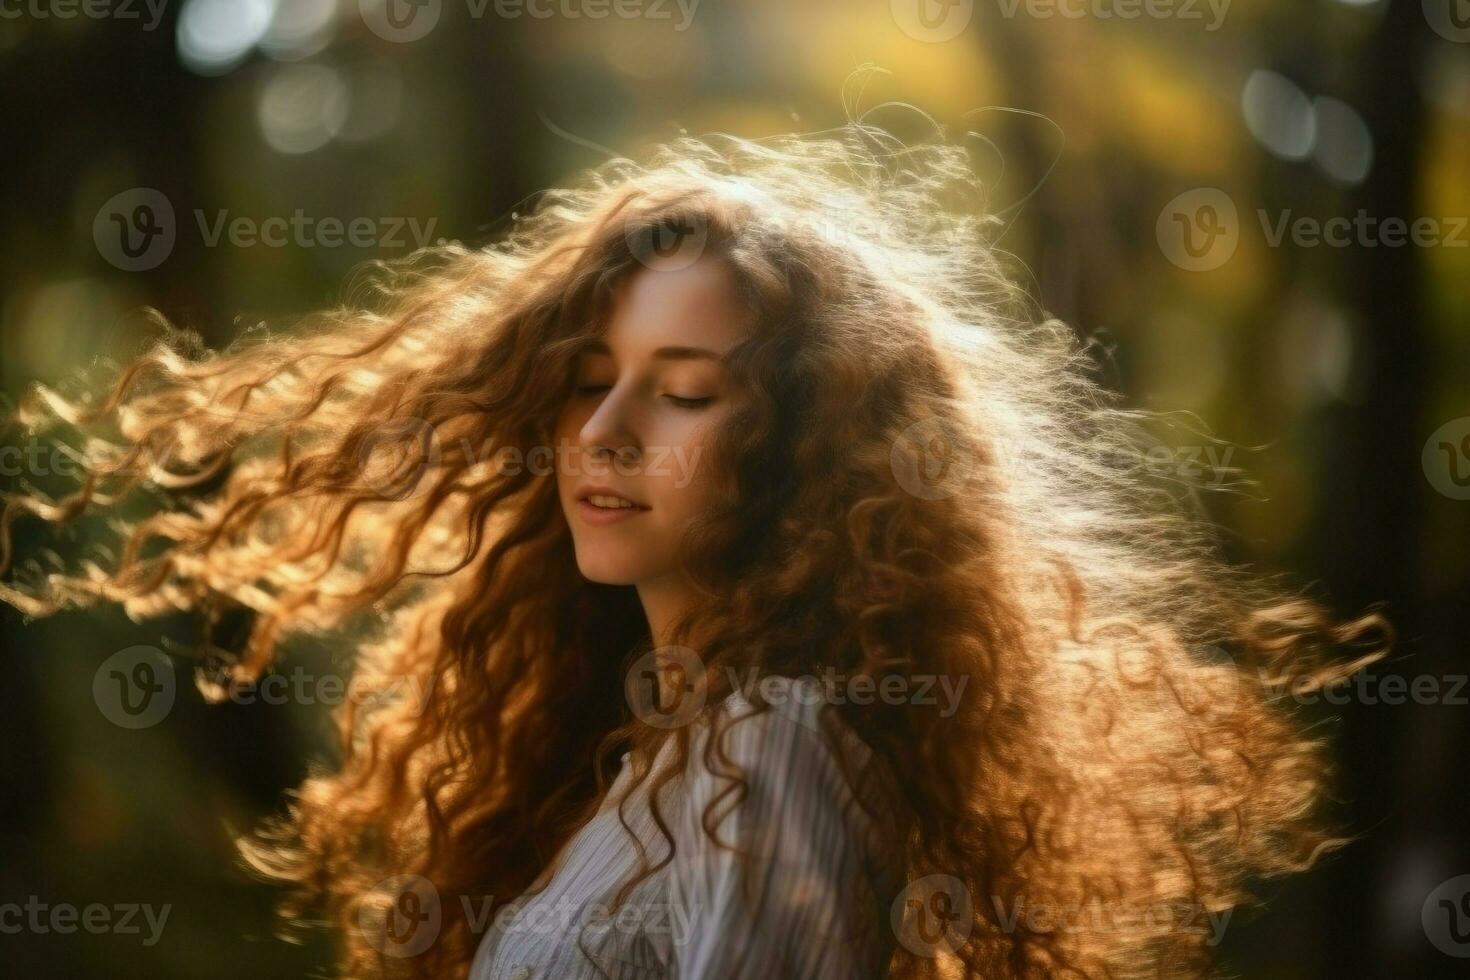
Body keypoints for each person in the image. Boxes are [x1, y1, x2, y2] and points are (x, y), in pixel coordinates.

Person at [0, 120, 1391, 979]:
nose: (602, 431)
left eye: (681, 391)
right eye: (588, 377)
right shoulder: (650, 753)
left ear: (801, 447)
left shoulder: (772, 756)